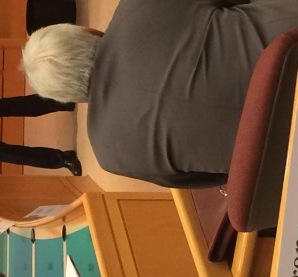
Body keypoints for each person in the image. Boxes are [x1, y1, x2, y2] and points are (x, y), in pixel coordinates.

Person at [21, 1, 298, 188]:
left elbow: (218, 178)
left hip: (289, 167)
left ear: (75, 98)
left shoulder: (111, 155)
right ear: (88, 30)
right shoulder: (139, 7)